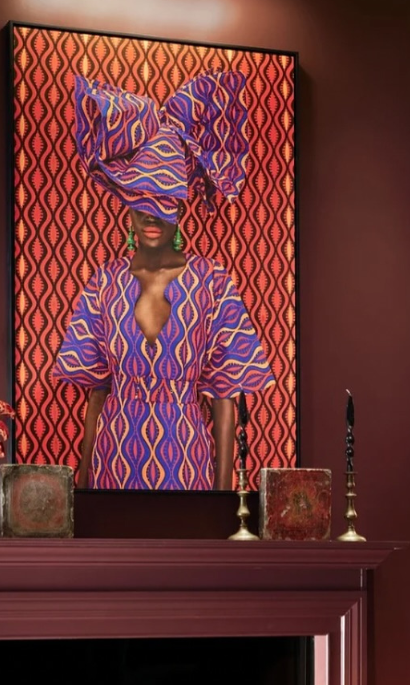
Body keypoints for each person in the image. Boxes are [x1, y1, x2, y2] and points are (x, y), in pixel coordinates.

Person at [52, 71, 275, 491]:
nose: (152, 215)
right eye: (141, 200)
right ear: (125, 202)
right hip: (113, 460)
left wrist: (222, 498)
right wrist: (82, 491)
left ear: (181, 202)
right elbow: (96, 396)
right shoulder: (104, 285)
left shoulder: (213, 283)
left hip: (187, 461)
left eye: (165, 200)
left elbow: (225, 400)